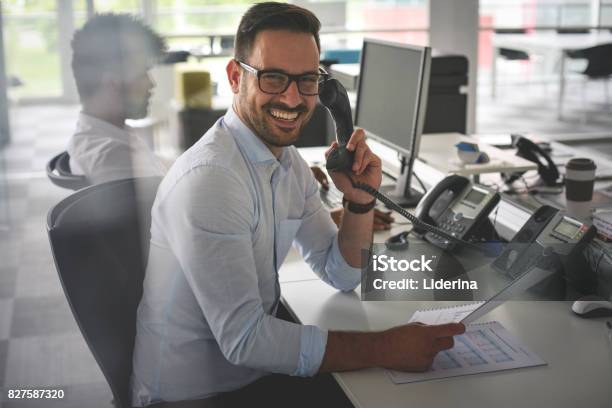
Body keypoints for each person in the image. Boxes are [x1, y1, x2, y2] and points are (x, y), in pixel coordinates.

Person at [131, 3, 464, 407]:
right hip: (198, 393)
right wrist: (385, 346)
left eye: (307, 80)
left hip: (247, 373)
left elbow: (340, 273)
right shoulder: (212, 181)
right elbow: (247, 341)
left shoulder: (286, 163)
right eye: (273, 78)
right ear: (236, 77)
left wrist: (358, 202)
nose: (293, 97)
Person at [67, 13, 167, 185]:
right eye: (143, 73)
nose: (151, 84)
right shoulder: (113, 158)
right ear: (112, 82)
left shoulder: (104, 134)